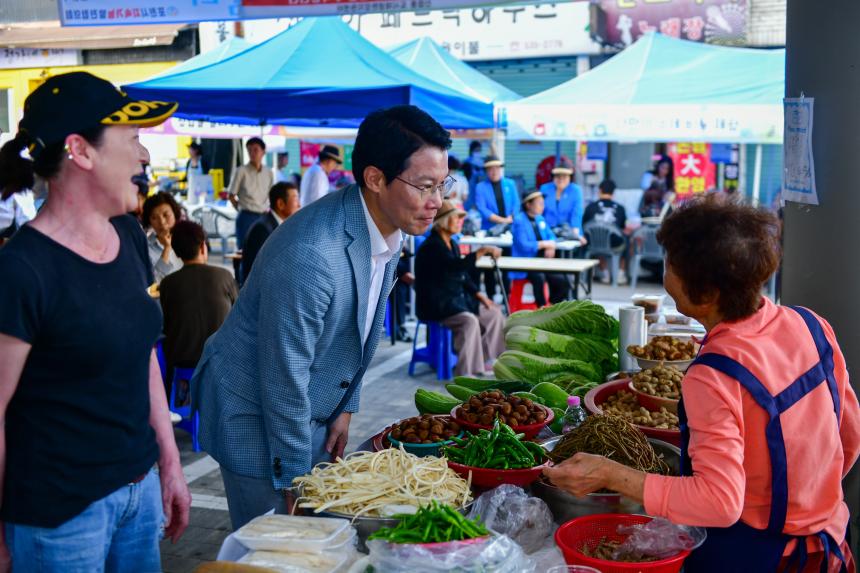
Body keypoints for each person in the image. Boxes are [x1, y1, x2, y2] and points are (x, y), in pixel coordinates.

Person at [545, 195, 860, 572]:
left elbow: (718, 503)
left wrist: (610, 473)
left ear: (706, 295)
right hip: (830, 541)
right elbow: (848, 439)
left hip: (759, 558)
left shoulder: (713, 375)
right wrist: (802, 501)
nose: (666, 269)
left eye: (671, 263)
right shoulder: (810, 324)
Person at [191, 105, 454, 530]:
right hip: (253, 409)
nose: (436, 202)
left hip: (304, 399)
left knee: (312, 530)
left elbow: (364, 327)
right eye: (425, 186)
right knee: (275, 543)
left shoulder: (390, 226)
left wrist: (346, 405)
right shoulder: (312, 255)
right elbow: (283, 377)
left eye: (442, 185)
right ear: (374, 178)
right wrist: (295, 476)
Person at [0, 71, 190, 572]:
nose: (145, 156)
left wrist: (168, 462)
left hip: (138, 492)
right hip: (60, 516)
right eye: (132, 140)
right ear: (81, 151)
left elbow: (143, 353)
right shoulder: (22, 269)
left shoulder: (128, 236)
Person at [415, 200, 505, 377]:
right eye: (456, 218)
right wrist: (479, 252)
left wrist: (480, 295)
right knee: (469, 321)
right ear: (443, 221)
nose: (459, 222)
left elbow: (462, 276)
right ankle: (467, 372)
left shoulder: (452, 244)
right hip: (438, 305)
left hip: (455, 301)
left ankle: (485, 359)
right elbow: (453, 268)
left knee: (493, 312)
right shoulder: (432, 247)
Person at [160, 220, 238, 398]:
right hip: (219, 360)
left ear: (177, 252)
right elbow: (238, 316)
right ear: (203, 246)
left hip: (181, 361)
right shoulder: (224, 276)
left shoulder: (167, 284)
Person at [511, 190, 569, 307]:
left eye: (543, 203)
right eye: (539, 203)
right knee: (539, 277)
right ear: (528, 205)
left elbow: (551, 236)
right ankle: (541, 306)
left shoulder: (540, 219)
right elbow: (524, 245)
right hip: (525, 263)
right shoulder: (519, 221)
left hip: (542, 262)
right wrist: (543, 244)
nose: (543, 206)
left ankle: (551, 306)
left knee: (563, 281)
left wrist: (551, 246)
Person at [474, 155, 518, 297]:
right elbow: (482, 208)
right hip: (490, 230)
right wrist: (500, 220)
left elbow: (517, 204)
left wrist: (510, 218)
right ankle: (490, 296)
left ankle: (507, 296)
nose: (494, 171)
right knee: (489, 266)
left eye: (496, 168)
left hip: (508, 230)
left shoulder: (510, 184)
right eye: (490, 169)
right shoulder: (481, 187)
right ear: (486, 171)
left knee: (506, 264)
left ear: (500, 169)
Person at [241, 181, 300, 281]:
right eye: (295, 199)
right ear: (280, 204)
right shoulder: (262, 229)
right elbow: (264, 270)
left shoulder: (281, 225)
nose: (299, 205)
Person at [228, 137, 273, 250]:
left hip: (263, 215)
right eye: (249, 150)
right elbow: (231, 195)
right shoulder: (241, 171)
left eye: (255, 150)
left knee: (263, 248)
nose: (252, 153)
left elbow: (271, 194)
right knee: (244, 249)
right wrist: (240, 208)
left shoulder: (269, 172)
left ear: (263, 152)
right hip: (246, 215)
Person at [582, 179, 629, 285]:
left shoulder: (590, 207)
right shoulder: (620, 208)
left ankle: (604, 273)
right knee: (626, 238)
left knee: (596, 238)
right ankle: (620, 273)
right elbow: (623, 227)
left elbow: (584, 226)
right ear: (613, 192)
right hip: (614, 244)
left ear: (600, 190)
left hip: (593, 244)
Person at [142, 191, 183, 282]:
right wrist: (167, 248)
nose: (162, 222)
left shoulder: (188, 240)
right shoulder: (145, 248)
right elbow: (153, 283)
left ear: (175, 213)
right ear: (149, 221)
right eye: (154, 218)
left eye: (166, 215)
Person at [540, 158, 584, 239]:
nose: (561, 179)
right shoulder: (545, 189)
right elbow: (539, 211)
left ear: (570, 178)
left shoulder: (575, 190)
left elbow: (576, 213)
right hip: (547, 232)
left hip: (569, 232)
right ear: (553, 177)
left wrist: (575, 233)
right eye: (558, 176)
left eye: (564, 176)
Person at [461, 140, 485, 211]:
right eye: (476, 150)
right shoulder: (467, 162)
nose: (478, 152)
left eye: (479, 150)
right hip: (470, 189)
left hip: (481, 188)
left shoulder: (483, 162)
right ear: (471, 150)